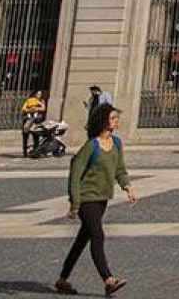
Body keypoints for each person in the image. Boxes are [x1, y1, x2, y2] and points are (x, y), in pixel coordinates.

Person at [55, 103, 135, 296]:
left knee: (83, 239)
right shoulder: (91, 146)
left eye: (117, 118)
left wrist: (128, 186)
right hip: (86, 198)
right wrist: (75, 203)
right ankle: (108, 280)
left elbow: (119, 169)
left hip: (102, 199)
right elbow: (75, 174)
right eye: (113, 118)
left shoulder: (116, 143)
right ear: (104, 121)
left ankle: (62, 279)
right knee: (97, 235)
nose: (117, 121)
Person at [20, 90, 48, 157]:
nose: (38, 95)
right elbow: (23, 109)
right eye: (37, 94)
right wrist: (30, 110)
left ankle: (36, 151)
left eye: (40, 94)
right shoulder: (29, 100)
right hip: (27, 120)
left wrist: (36, 108)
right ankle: (25, 152)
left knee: (36, 136)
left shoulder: (41, 101)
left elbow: (43, 108)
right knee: (25, 136)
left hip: (36, 121)